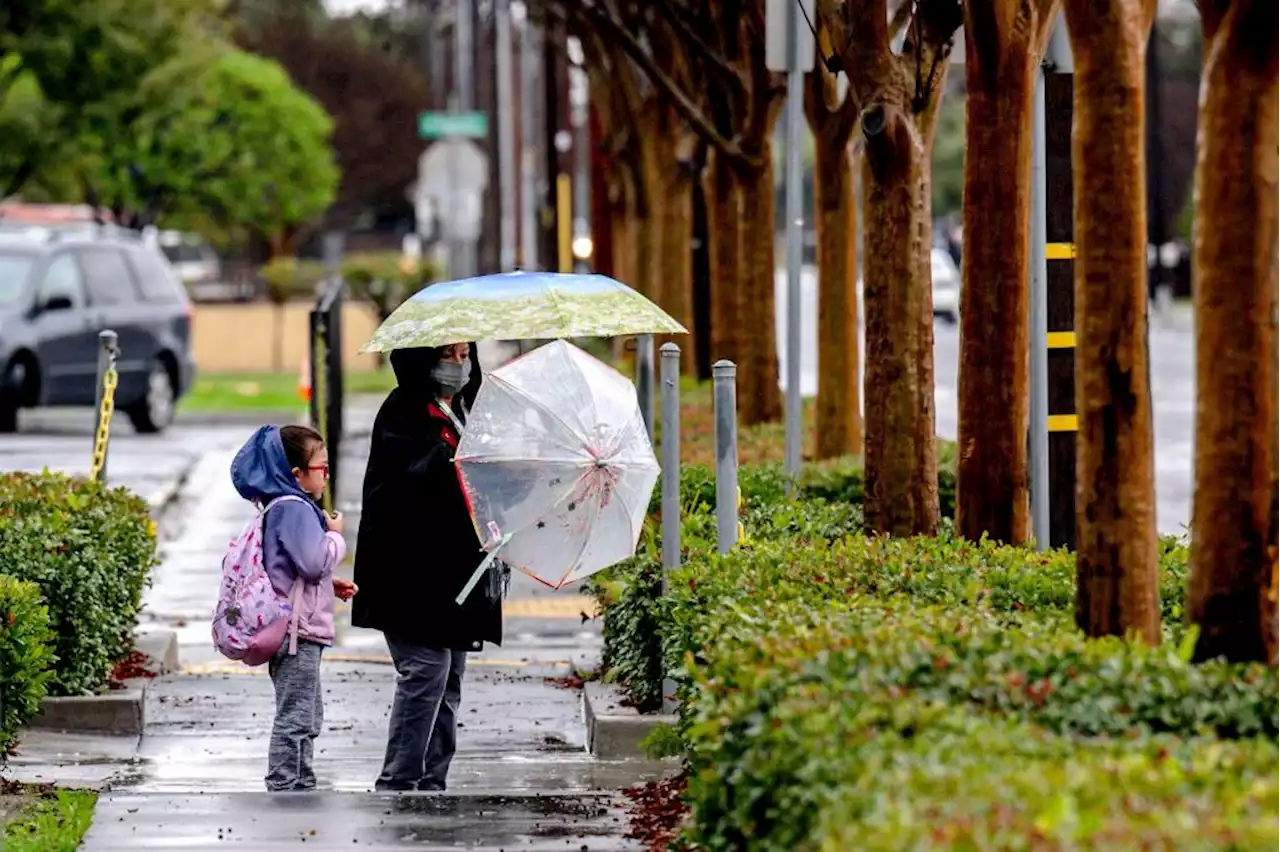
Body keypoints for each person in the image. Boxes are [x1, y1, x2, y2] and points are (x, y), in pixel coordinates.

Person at [352, 342, 504, 792]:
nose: (459, 365)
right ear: (424, 360)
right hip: (407, 573)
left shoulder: (469, 412)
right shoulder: (403, 414)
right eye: (447, 355)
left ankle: (431, 780)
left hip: (455, 576)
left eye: (464, 354)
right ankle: (398, 778)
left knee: (450, 676)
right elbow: (408, 482)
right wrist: (455, 460)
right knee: (426, 671)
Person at [230, 424, 358, 792]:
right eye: (322, 468)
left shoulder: (285, 507)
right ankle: (286, 784)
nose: (327, 475)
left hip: (297, 629)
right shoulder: (296, 510)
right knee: (297, 715)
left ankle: (300, 780)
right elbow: (313, 562)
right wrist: (335, 535)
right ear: (297, 475)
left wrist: (327, 585)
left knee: (308, 712)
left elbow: (289, 568)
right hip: (296, 635)